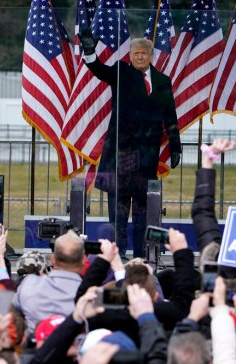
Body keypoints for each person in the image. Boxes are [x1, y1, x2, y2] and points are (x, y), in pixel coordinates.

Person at [78, 30, 182, 259]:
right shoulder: (120, 72)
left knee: (143, 211)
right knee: (118, 210)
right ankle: (118, 255)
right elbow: (99, 70)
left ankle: (142, 255)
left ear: (151, 56)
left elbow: (170, 117)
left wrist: (176, 146)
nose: (139, 57)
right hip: (119, 155)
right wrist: (89, 52)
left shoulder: (163, 81)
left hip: (146, 159)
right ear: (130, 55)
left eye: (143, 54)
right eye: (135, 54)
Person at [13, 230, 85, 334]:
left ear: (53, 260)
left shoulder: (29, 285)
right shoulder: (92, 295)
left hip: (35, 347)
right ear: (84, 260)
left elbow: (0, 312)